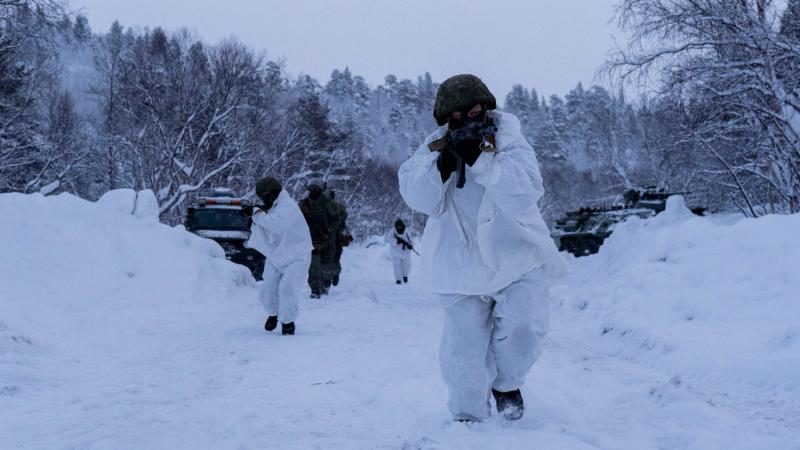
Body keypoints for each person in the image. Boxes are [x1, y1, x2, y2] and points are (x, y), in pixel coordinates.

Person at [398, 74, 566, 423]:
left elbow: (527, 191)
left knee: (524, 330)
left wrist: (482, 159)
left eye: (473, 111)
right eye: (457, 116)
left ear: (486, 107)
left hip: (515, 255)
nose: (467, 120)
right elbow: (416, 195)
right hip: (458, 263)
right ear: (446, 119)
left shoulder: (509, 141)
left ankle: (506, 385)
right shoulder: (433, 147)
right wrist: (442, 166)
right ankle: (467, 418)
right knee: (463, 351)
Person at [244, 176, 312, 336]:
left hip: (297, 254)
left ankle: (288, 322)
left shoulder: (288, 206)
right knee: (268, 289)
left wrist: (255, 213)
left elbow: (276, 226)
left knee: (287, 288)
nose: (262, 199)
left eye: (264, 195)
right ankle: (273, 314)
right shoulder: (272, 207)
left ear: (272, 193)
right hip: (276, 256)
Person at [299, 177, 336, 298]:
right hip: (311, 239)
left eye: (316, 189)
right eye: (311, 189)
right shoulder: (304, 204)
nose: (313, 191)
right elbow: (297, 220)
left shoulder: (328, 203)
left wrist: (328, 230)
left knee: (326, 264)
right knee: (313, 265)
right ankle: (315, 290)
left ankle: (326, 284)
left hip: (327, 239)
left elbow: (336, 219)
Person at [325, 189, 350, 287]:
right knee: (333, 258)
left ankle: (331, 276)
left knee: (331, 258)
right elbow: (344, 216)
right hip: (333, 236)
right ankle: (332, 275)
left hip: (333, 236)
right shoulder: (338, 206)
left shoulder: (335, 206)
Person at [384, 218, 413, 284]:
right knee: (397, 266)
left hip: (405, 253)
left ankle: (405, 276)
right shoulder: (393, 231)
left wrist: (410, 246)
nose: (399, 228)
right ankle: (398, 279)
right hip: (395, 252)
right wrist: (396, 241)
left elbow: (411, 240)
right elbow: (388, 239)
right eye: (398, 227)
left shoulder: (407, 231)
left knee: (407, 266)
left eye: (400, 226)